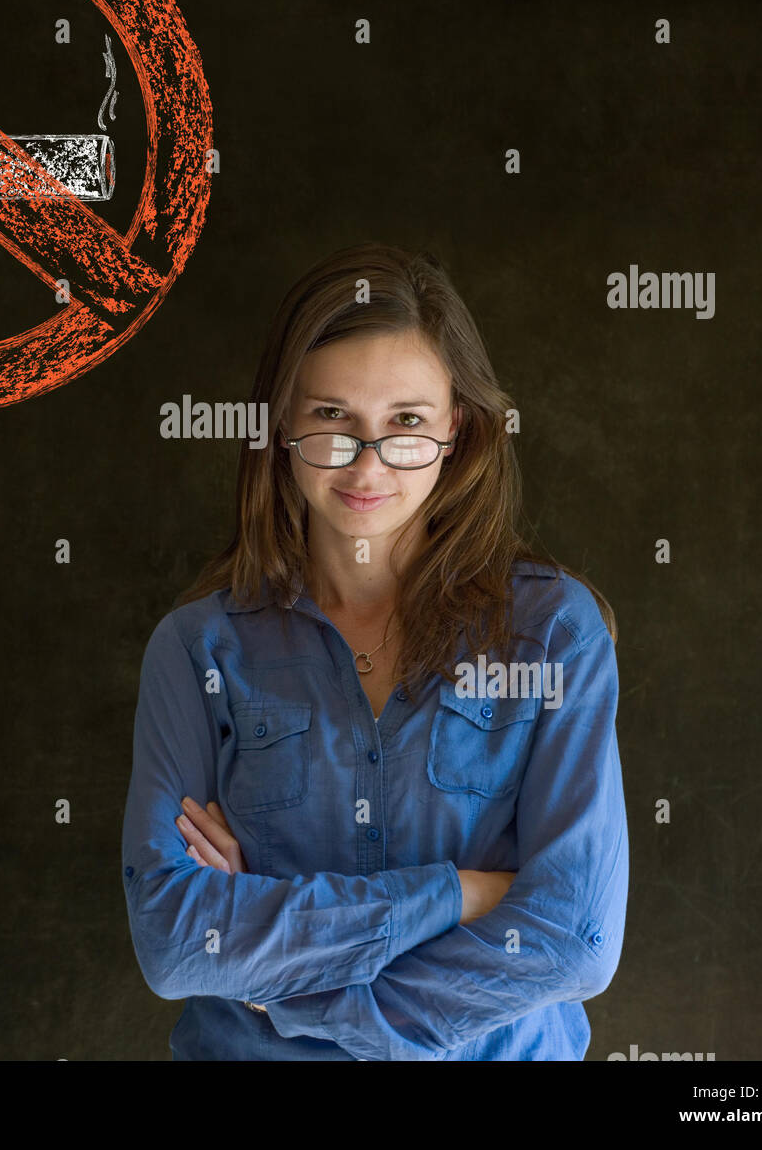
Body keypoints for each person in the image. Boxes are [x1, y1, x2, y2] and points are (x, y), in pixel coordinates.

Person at [120, 243, 629, 1060]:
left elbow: (575, 941)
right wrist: (456, 894)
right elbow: (176, 945)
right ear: (281, 423)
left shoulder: (554, 633)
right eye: (331, 419)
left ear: (456, 428)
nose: (367, 464)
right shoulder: (196, 649)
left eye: (406, 424)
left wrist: (281, 990)